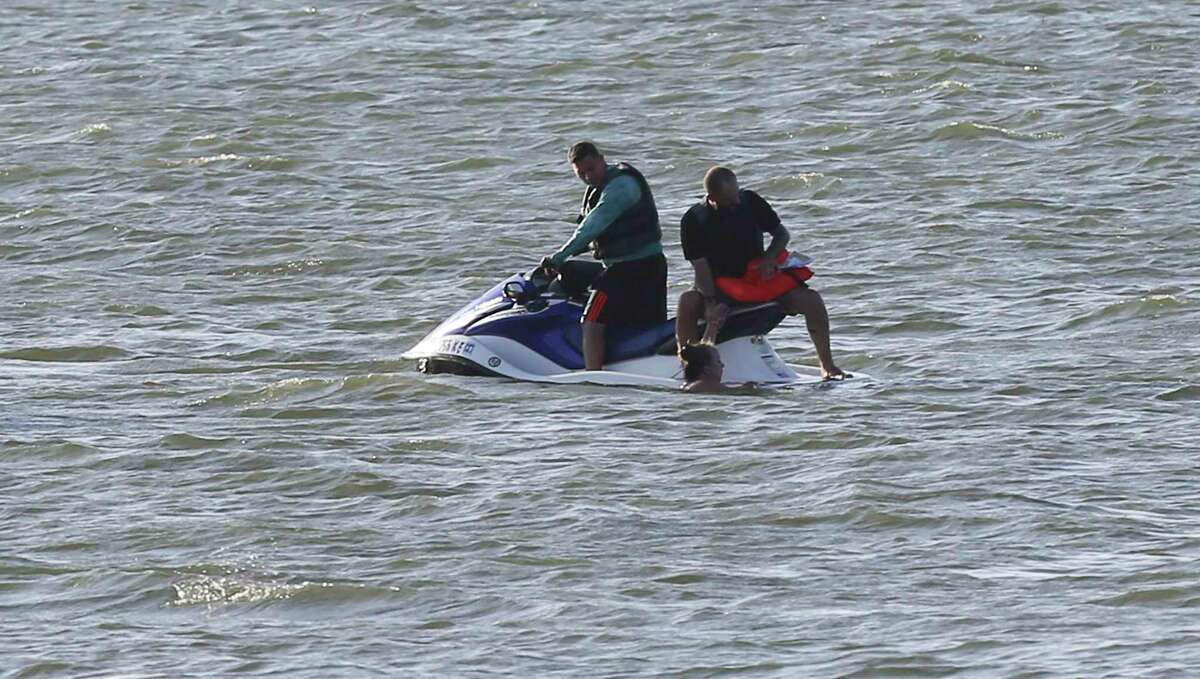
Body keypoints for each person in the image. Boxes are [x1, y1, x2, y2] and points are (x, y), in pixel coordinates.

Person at [675, 166, 847, 380]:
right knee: (687, 301)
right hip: (719, 285)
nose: (736, 202)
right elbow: (701, 269)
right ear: (712, 198)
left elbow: (781, 234)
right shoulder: (694, 220)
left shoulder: (750, 201)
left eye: (736, 195)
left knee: (812, 300)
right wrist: (710, 303)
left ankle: (827, 366)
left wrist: (770, 257)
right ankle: (687, 368)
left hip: (756, 279)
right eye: (729, 200)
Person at [540, 142, 667, 370]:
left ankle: (593, 374)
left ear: (602, 159)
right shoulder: (596, 189)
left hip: (631, 269)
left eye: (591, 169)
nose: (588, 176)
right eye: (581, 174)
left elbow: (592, 225)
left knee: (591, 322)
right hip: (641, 267)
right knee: (569, 273)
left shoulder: (621, 186)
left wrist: (560, 255)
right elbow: (595, 239)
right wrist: (560, 262)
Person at [678, 341, 757, 394]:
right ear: (707, 370)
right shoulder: (704, 385)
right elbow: (730, 391)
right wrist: (747, 388)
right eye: (718, 362)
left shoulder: (688, 385)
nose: (723, 365)